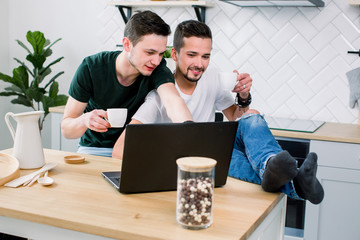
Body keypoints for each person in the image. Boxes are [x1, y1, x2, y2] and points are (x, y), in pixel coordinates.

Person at [114, 20, 324, 204]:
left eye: (205, 56)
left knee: (253, 114)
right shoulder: (161, 93)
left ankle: (269, 162)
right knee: (232, 160)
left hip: (217, 148)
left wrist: (243, 97)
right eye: (192, 55)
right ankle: (296, 183)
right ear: (175, 55)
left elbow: (236, 116)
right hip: (195, 162)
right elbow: (119, 149)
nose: (199, 64)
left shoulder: (212, 75)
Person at [61, 11, 192, 157]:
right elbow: (66, 130)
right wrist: (84, 120)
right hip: (93, 150)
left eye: (161, 54)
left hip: (135, 151)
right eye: (150, 52)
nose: (156, 61)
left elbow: (173, 101)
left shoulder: (158, 69)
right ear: (127, 44)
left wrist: (189, 129)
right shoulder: (91, 67)